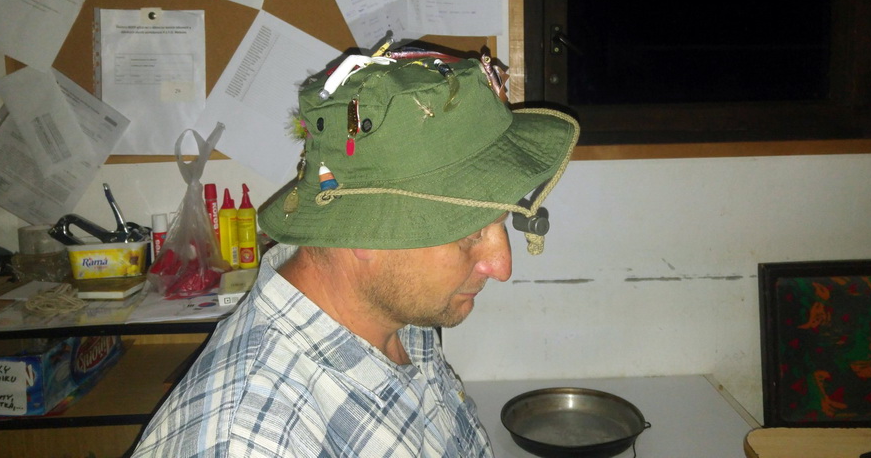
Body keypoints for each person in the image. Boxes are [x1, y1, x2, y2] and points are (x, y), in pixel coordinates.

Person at [131, 48, 579, 457]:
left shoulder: (396, 313)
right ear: (365, 230)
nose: (501, 267)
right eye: (469, 234)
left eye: (501, 222)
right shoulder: (252, 442)